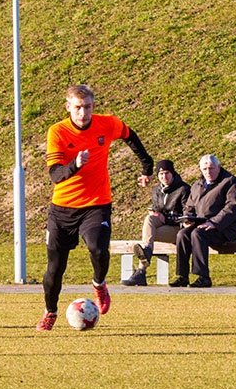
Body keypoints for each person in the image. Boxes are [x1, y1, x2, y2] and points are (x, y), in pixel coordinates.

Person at [38, 84, 154, 331]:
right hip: (62, 209)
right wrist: (75, 165)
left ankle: (99, 284)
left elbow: (129, 136)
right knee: (54, 269)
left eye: (88, 107)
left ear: (93, 106)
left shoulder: (107, 124)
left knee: (98, 248)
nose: (83, 113)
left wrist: (147, 167)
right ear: (68, 107)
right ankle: (50, 312)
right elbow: (55, 175)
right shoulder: (57, 132)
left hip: (96, 204)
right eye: (78, 108)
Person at [170, 154, 236, 288]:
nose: (208, 172)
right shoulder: (197, 185)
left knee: (197, 234)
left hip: (223, 228)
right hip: (201, 224)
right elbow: (189, 207)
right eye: (204, 169)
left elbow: (232, 207)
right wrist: (186, 219)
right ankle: (182, 276)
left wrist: (214, 223)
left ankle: (203, 277)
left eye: (211, 168)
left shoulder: (230, 182)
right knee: (182, 234)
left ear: (218, 167)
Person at [121, 159, 190, 286]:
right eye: (161, 174)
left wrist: (167, 219)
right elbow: (157, 209)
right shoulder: (156, 190)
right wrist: (155, 213)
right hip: (162, 227)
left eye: (167, 173)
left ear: (173, 173)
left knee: (148, 236)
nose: (164, 177)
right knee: (149, 219)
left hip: (178, 229)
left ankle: (141, 270)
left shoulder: (184, 189)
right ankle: (146, 252)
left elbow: (187, 215)